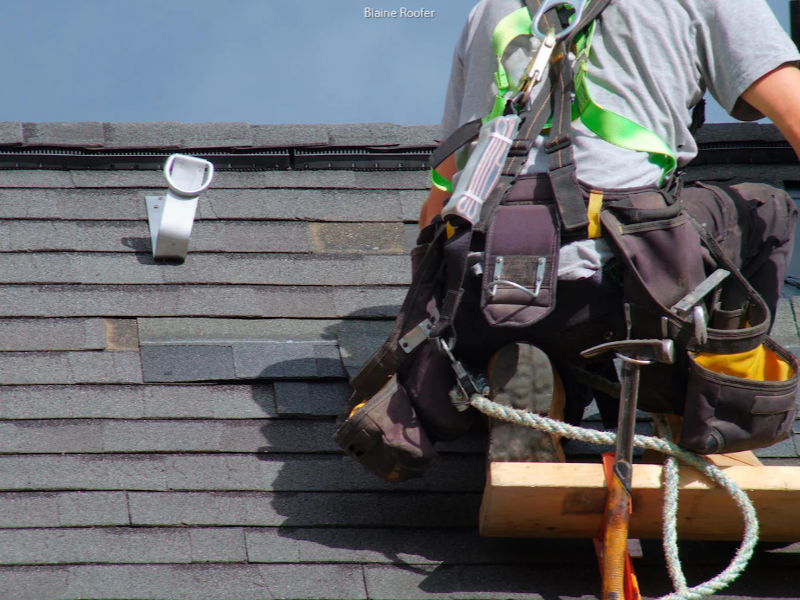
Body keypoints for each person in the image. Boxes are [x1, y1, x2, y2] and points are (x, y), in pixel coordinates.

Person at [419, 0, 800, 461]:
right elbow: (794, 114)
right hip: (632, 281)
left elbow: (439, 201)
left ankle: (537, 382)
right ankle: (708, 417)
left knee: (546, 303)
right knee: (769, 209)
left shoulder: (487, 11)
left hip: (480, 292)